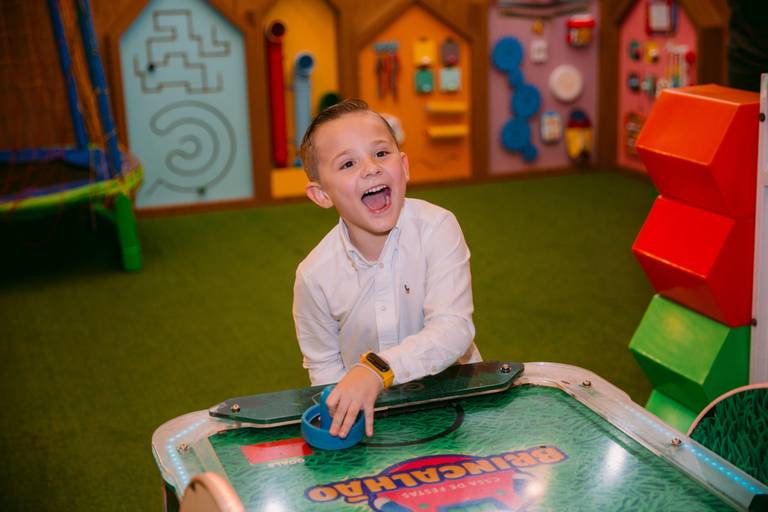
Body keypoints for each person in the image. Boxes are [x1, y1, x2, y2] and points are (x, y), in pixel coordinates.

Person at [293, 99, 481, 441]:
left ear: (404, 166)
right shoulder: (313, 275)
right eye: (348, 163)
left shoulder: (437, 228)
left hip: (459, 405)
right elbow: (324, 366)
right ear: (321, 195)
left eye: (381, 153)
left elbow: (454, 329)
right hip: (374, 422)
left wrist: (376, 370)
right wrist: (343, 416)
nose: (371, 168)